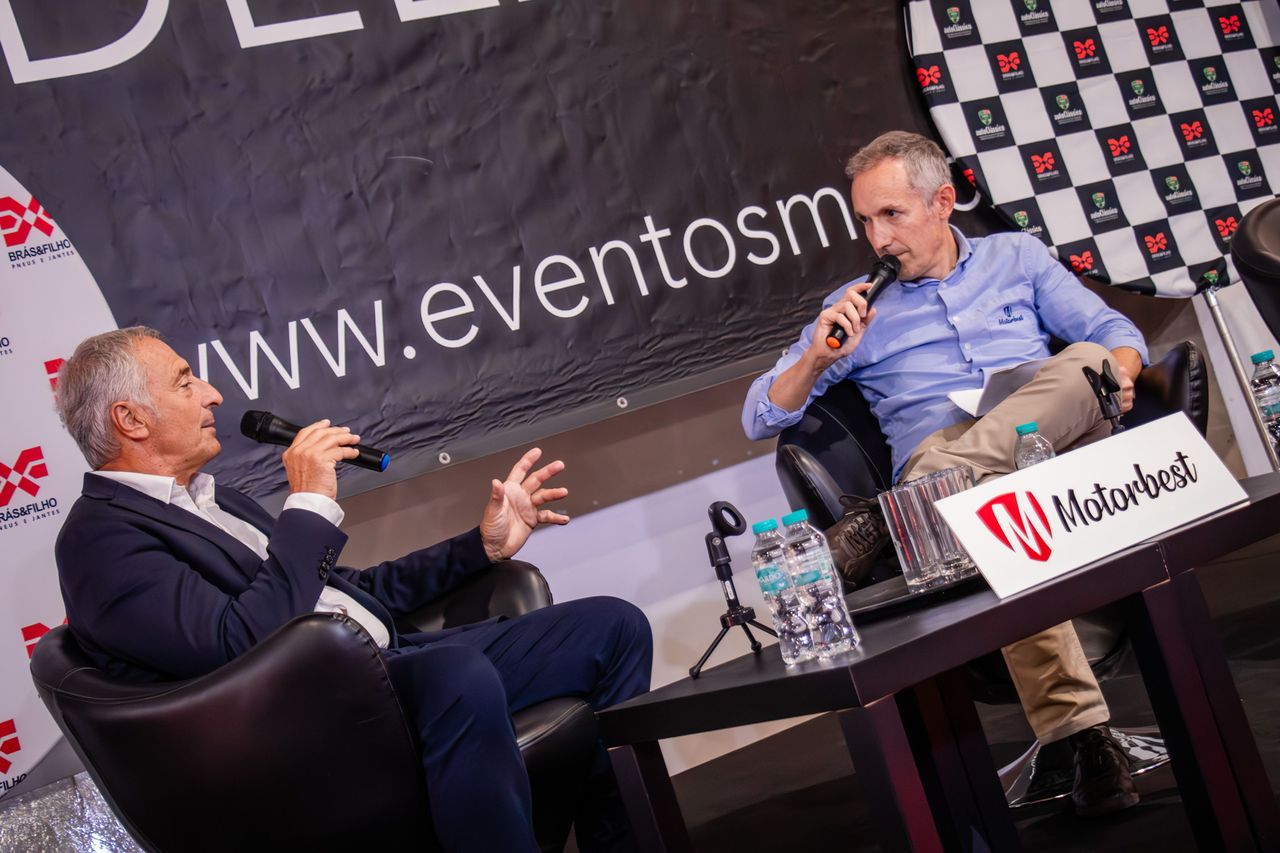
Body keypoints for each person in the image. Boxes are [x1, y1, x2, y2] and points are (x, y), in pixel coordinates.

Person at [53, 326, 652, 852]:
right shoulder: (101, 541)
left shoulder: (215, 499)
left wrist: (482, 546)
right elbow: (239, 647)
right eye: (186, 383)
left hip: (391, 666)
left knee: (613, 627)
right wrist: (309, 502)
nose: (213, 395)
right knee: (456, 676)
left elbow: (349, 594)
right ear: (131, 419)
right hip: (309, 723)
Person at [742, 131, 1147, 817]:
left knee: (1086, 362)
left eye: (891, 215)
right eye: (866, 221)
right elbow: (759, 415)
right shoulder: (855, 308)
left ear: (943, 202)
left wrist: (1119, 377)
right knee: (993, 508)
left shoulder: (1015, 257)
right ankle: (1084, 739)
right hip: (963, 490)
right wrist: (816, 358)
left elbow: (1116, 336)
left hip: (1048, 451)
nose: (878, 238)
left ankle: (894, 507)